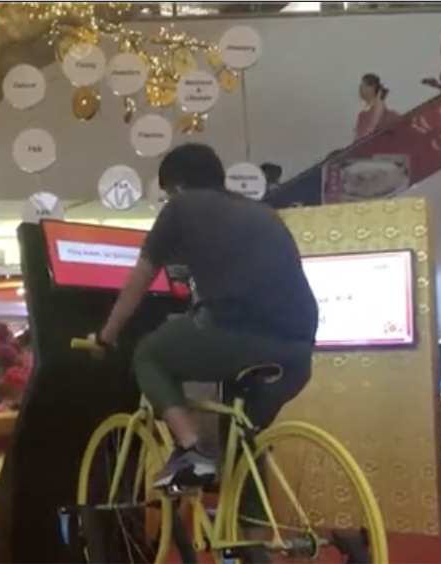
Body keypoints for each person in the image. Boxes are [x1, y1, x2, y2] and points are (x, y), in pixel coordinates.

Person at [97, 143, 319, 492]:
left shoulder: (180, 207)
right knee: (239, 448)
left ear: (176, 186)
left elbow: (139, 280)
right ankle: (250, 526)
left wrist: (107, 335)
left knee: (149, 354)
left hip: (237, 334)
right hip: (298, 351)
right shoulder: (262, 212)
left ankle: (192, 450)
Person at [355, 73, 391, 140]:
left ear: (371, 88)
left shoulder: (389, 115)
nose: (359, 89)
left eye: (362, 86)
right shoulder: (362, 116)